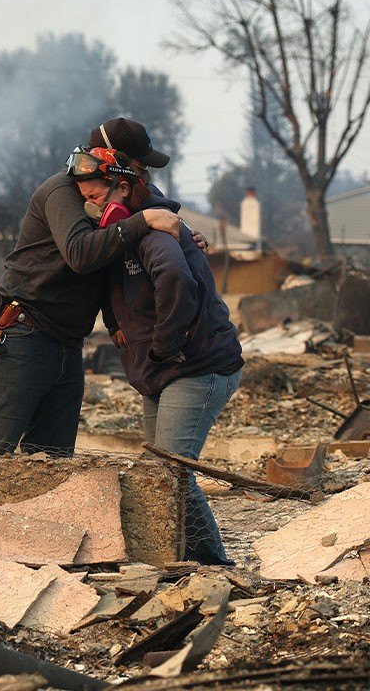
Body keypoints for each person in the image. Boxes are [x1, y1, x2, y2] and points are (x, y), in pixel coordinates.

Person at [0, 118, 203, 454]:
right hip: (23, 334)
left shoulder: (117, 198)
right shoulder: (63, 192)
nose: (143, 179)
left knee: (52, 460)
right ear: (114, 161)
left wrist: (181, 233)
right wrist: (142, 221)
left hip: (66, 342)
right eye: (139, 168)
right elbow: (81, 254)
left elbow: (112, 262)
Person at [96, 149, 243, 566]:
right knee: (157, 471)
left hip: (196, 366)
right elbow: (110, 287)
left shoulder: (153, 229)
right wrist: (114, 325)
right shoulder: (125, 232)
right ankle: (176, 559)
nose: (92, 205)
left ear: (124, 187)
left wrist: (163, 343)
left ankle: (214, 564)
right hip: (162, 370)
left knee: (171, 474)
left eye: (97, 197)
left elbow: (175, 277)